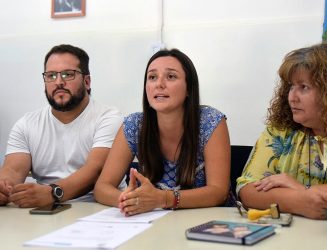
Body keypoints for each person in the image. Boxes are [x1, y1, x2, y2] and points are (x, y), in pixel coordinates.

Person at [94, 48, 231, 216]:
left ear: (189, 88)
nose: (159, 84)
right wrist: (130, 200)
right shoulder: (134, 125)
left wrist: (163, 199)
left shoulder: (211, 121)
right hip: (153, 223)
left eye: (171, 76)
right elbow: (102, 188)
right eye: (152, 77)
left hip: (206, 224)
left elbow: (218, 192)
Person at [0, 44, 125, 208]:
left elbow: (95, 170)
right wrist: (4, 187)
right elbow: (13, 170)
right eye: (51, 76)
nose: (58, 82)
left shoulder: (108, 118)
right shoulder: (26, 124)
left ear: (87, 81)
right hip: (45, 210)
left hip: (99, 208)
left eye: (68, 74)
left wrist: (53, 193)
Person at [237, 42, 327, 220]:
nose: (292, 97)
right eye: (291, 86)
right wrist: (302, 201)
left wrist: (300, 189)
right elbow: (248, 190)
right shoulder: (279, 132)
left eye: (304, 87)